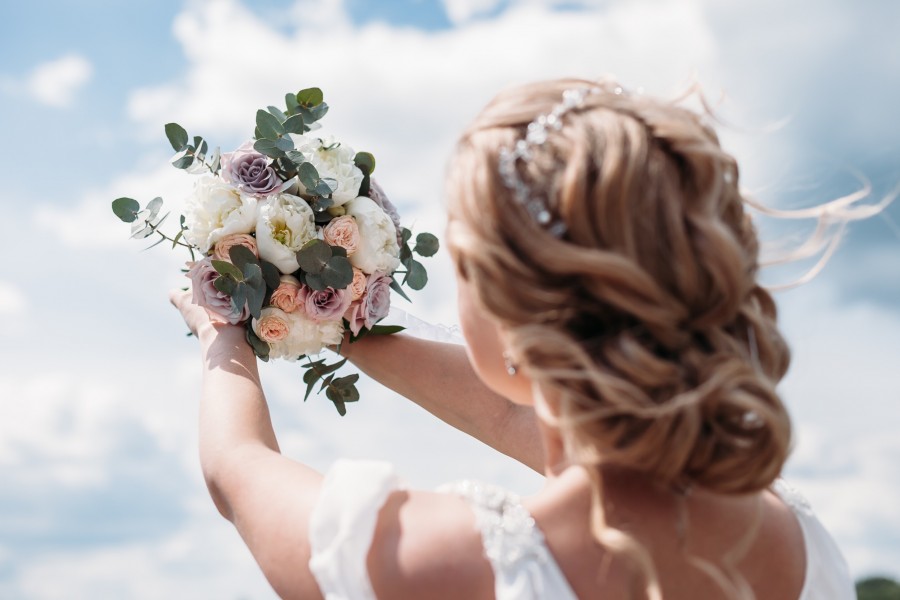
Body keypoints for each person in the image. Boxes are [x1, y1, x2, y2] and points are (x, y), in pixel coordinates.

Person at [170, 77, 855, 599]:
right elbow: (509, 412)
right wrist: (332, 318)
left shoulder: (464, 563)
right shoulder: (791, 531)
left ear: (511, 303)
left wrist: (221, 333)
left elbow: (239, 471)